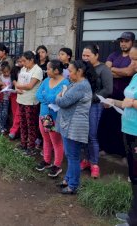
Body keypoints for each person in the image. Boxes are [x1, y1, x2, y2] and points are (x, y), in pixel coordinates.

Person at [105, 44, 137, 226]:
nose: (132, 64)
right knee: (133, 175)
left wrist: (132, 103)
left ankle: (134, 220)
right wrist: (113, 101)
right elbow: (126, 102)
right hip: (128, 128)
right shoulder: (135, 77)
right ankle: (133, 213)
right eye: (131, 59)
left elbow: (132, 102)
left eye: (136, 60)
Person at [56, 60, 94, 194]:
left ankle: (73, 185)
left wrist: (58, 96)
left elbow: (63, 101)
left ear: (80, 72)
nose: (68, 74)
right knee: (70, 155)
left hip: (75, 125)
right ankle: (68, 179)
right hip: (70, 124)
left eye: (70, 71)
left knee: (73, 156)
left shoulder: (81, 86)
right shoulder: (76, 84)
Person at [99, 32, 135, 159]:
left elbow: (129, 72)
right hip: (111, 94)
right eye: (121, 41)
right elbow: (106, 70)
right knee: (108, 122)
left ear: (132, 42)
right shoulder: (113, 55)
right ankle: (107, 149)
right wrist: (122, 72)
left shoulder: (133, 56)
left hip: (126, 97)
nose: (123, 43)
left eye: (126, 41)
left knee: (122, 124)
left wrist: (113, 69)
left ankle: (123, 153)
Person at [81, 45, 113, 178]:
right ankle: (85, 160)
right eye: (84, 55)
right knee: (83, 134)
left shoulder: (103, 69)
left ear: (96, 56)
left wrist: (91, 98)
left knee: (92, 135)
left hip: (95, 105)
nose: (85, 58)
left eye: (88, 56)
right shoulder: (82, 68)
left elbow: (108, 90)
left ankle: (94, 164)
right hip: (82, 105)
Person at [35, 60, 69, 177]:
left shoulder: (65, 83)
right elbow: (38, 94)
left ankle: (57, 165)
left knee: (56, 141)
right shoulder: (46, 80)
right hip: (44, 115)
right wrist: (48, 98)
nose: (46, 70)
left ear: (56, 70)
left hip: (55, 116)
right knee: (46, 138)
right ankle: (46, 160)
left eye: (49, 69)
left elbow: (56, 99)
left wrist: (47, 97)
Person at [15, 51, 43, 154]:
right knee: (23, 123)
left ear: (31, 60)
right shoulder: (23, 68)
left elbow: (30, 86)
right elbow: (18, 82)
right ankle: (23, 144)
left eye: (24, 61)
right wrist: (17, 87)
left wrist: (18, 86)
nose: (22, 63)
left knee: (31, 124)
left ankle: (31, 147)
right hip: (21, 99)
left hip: (31, 101)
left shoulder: (37, 70)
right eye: (21, 61)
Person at [8, 57, 23, 140]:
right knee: (15, 112)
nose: (20, 62)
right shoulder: (15, 69)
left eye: (22, 61)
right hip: (15, 92)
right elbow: (13, 78)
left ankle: (17, 131)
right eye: (19, 61)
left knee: (20, 113)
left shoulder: (28, 70)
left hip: (24, 93)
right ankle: (15, 131)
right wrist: (17, 85)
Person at [0, 62, 12, 135]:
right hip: (1, 97)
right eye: (4, 72)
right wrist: (1, 86)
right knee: (0, 112)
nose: (6, 73)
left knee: (5, 113)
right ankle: (1, 127)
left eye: (7, 72)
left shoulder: (11, 77)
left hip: (8, 98)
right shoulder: (1, 77)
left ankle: (3, 126)